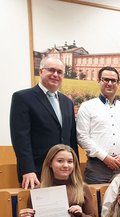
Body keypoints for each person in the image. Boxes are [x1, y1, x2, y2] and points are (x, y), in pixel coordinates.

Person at [10, 57, 78, 189]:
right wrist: (27, 169)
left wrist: (74, 170)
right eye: (51, 70)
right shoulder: (23, 98)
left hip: (65, 174)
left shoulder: (67, 102)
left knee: (69, 209)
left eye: (59, 72)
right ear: (41, 72)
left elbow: (71, 139)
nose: (55, 75)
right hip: (36, 173)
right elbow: (20, 138)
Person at [77, 66, 120, 184]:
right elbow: (82, 137)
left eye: (113, 80)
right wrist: (104, 157)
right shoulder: (87, 107)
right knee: (98, 200)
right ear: (99, 81)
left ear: (118, 83)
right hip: (97, 167)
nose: (110, 83)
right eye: (106, 80)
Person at [18, 144, 96, 217]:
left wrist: (81, 215)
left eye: (70, 161)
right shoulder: (38, 190)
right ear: (50, 164)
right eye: (60, 161)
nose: (66, 165)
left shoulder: (82, 188)